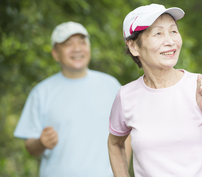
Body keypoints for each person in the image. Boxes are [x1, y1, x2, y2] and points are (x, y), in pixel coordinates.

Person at [108, 4, 202, 177]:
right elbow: (115, 144)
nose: (170, 41)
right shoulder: (126, 96)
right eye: (158, 33)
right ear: (134, 46)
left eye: (174, 31)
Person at [14, 21, 131, 177]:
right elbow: (30, 147)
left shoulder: (111, 85)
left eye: (82, 42)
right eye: (68, 44)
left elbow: (126, 135)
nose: (77, 49)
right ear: (55, 53)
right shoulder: (41, 92)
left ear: (89, 48)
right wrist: (40, 143)